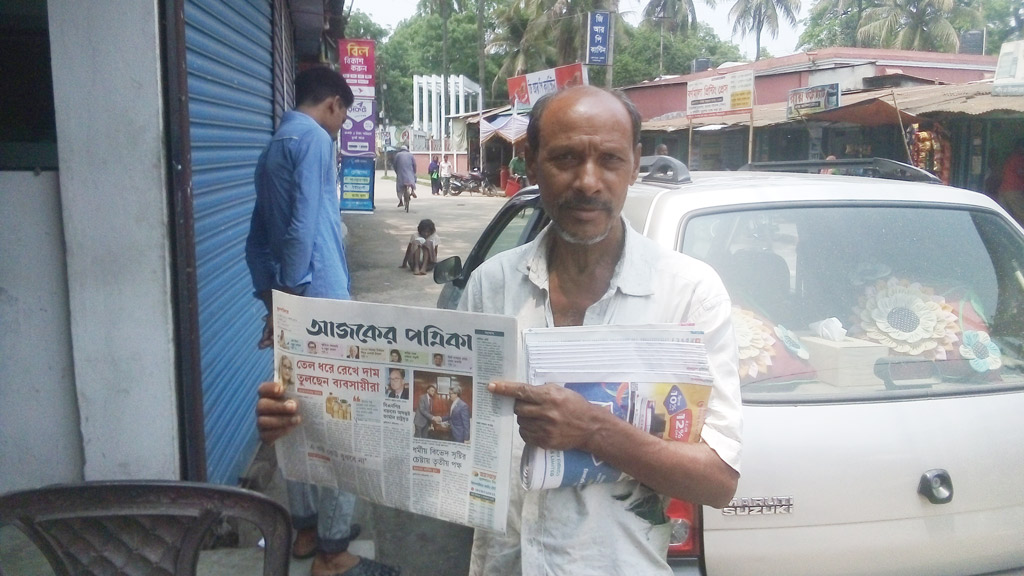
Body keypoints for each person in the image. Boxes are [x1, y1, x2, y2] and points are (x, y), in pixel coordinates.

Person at [458, 86, 742, 575]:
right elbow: (452, 433)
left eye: (609, 159)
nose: (588, 182)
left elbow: (717, 482)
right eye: (565, 157)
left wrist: (592, 429)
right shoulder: (492, 285)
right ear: (529, 161)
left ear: (634, 164)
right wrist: (309, 414)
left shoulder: (691, 295)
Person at [245, 66, 397, 576]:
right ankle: (334, 552)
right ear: (332, 103)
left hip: (291, 305)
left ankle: (307, 529)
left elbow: (256, 240)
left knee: (297, 416)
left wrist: (273, 303)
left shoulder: (273, 147)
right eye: (343, 114)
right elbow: (301, 226)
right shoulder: (312, 140)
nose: (341, 125)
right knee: (341, 423)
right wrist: (294, 298)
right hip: (321, 307)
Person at [997, 138, 1024, 226]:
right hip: (1013, 191)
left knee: (1004, 217)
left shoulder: (1011, 158)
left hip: (1003, 190)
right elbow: (1021, 172)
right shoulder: (1019, 158)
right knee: (1021, 216)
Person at [393, 145, 416, 212]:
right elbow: (414, 164)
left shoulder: (397, 155)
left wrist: (397, 172)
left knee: (399, 187)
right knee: (413, 180)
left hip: (401, 174)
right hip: (409, 174)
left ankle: (400, 201)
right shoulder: (411, 155)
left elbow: (395, 165)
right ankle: (413, 191)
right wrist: (414, 172)